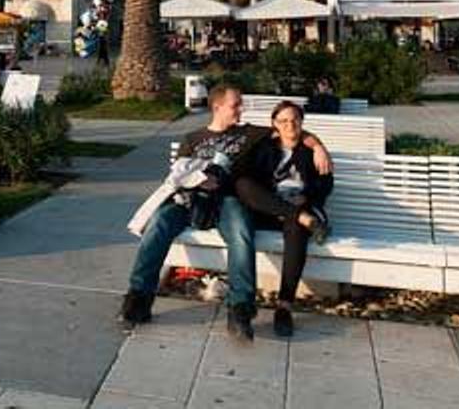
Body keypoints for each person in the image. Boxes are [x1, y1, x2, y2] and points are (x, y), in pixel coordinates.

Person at [120, 85, 333, 341]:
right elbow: (176, 176)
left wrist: (318, 146)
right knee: (158, 225)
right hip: (189, 200)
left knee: (241, 233)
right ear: (217, 107)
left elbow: (291, 130)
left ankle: (240, 309)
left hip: (227, 201)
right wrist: (198, 180)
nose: (241, 109)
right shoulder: (192, 138)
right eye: (236, 105)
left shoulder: (247, 133)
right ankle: (138, 298)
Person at [234, 101, 333, 338]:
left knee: (296, 229)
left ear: (302, 123)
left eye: (295, 120)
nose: (290, 125)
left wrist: (306, 198)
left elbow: (325, 184)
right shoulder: (264, 148)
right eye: (283, 121)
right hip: (268, 211)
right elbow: (245, 179)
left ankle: (284, 307)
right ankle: (302, 218)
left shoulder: (312, 151)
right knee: (243, 185)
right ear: (274, 125)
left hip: (299, 209)